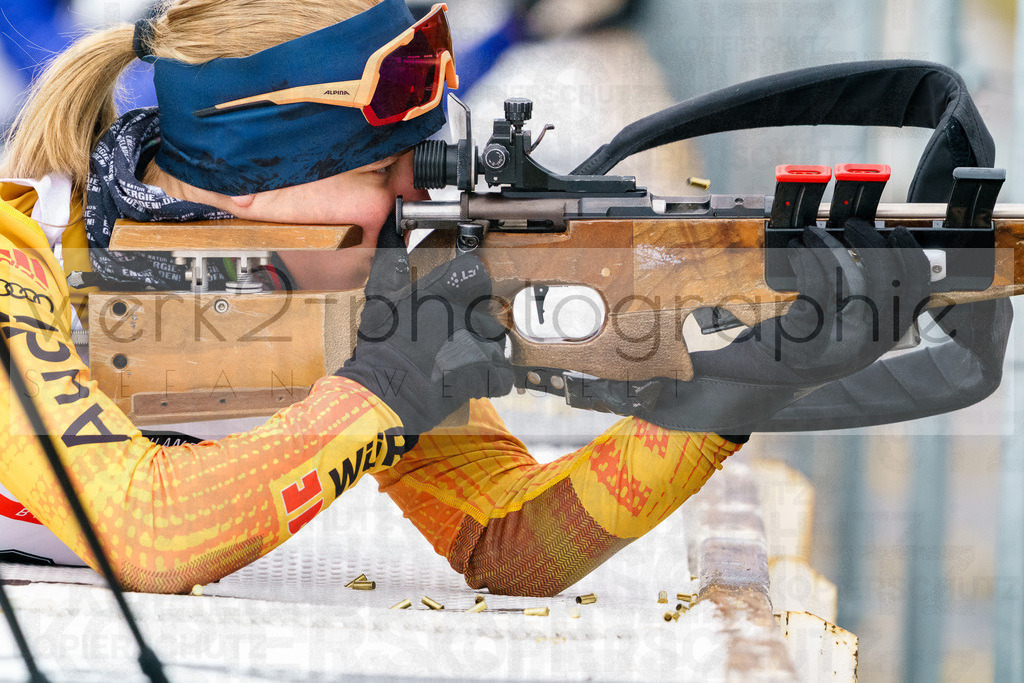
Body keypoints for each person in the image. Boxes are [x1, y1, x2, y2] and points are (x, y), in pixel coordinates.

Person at [0, 0, 927, 595]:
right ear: (257, 180)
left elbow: (507, 541)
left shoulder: (333, 284)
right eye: (389, 172)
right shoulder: (19, 258)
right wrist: (383, 388)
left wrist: (731, 391)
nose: (423, 203)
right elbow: (141, 528)